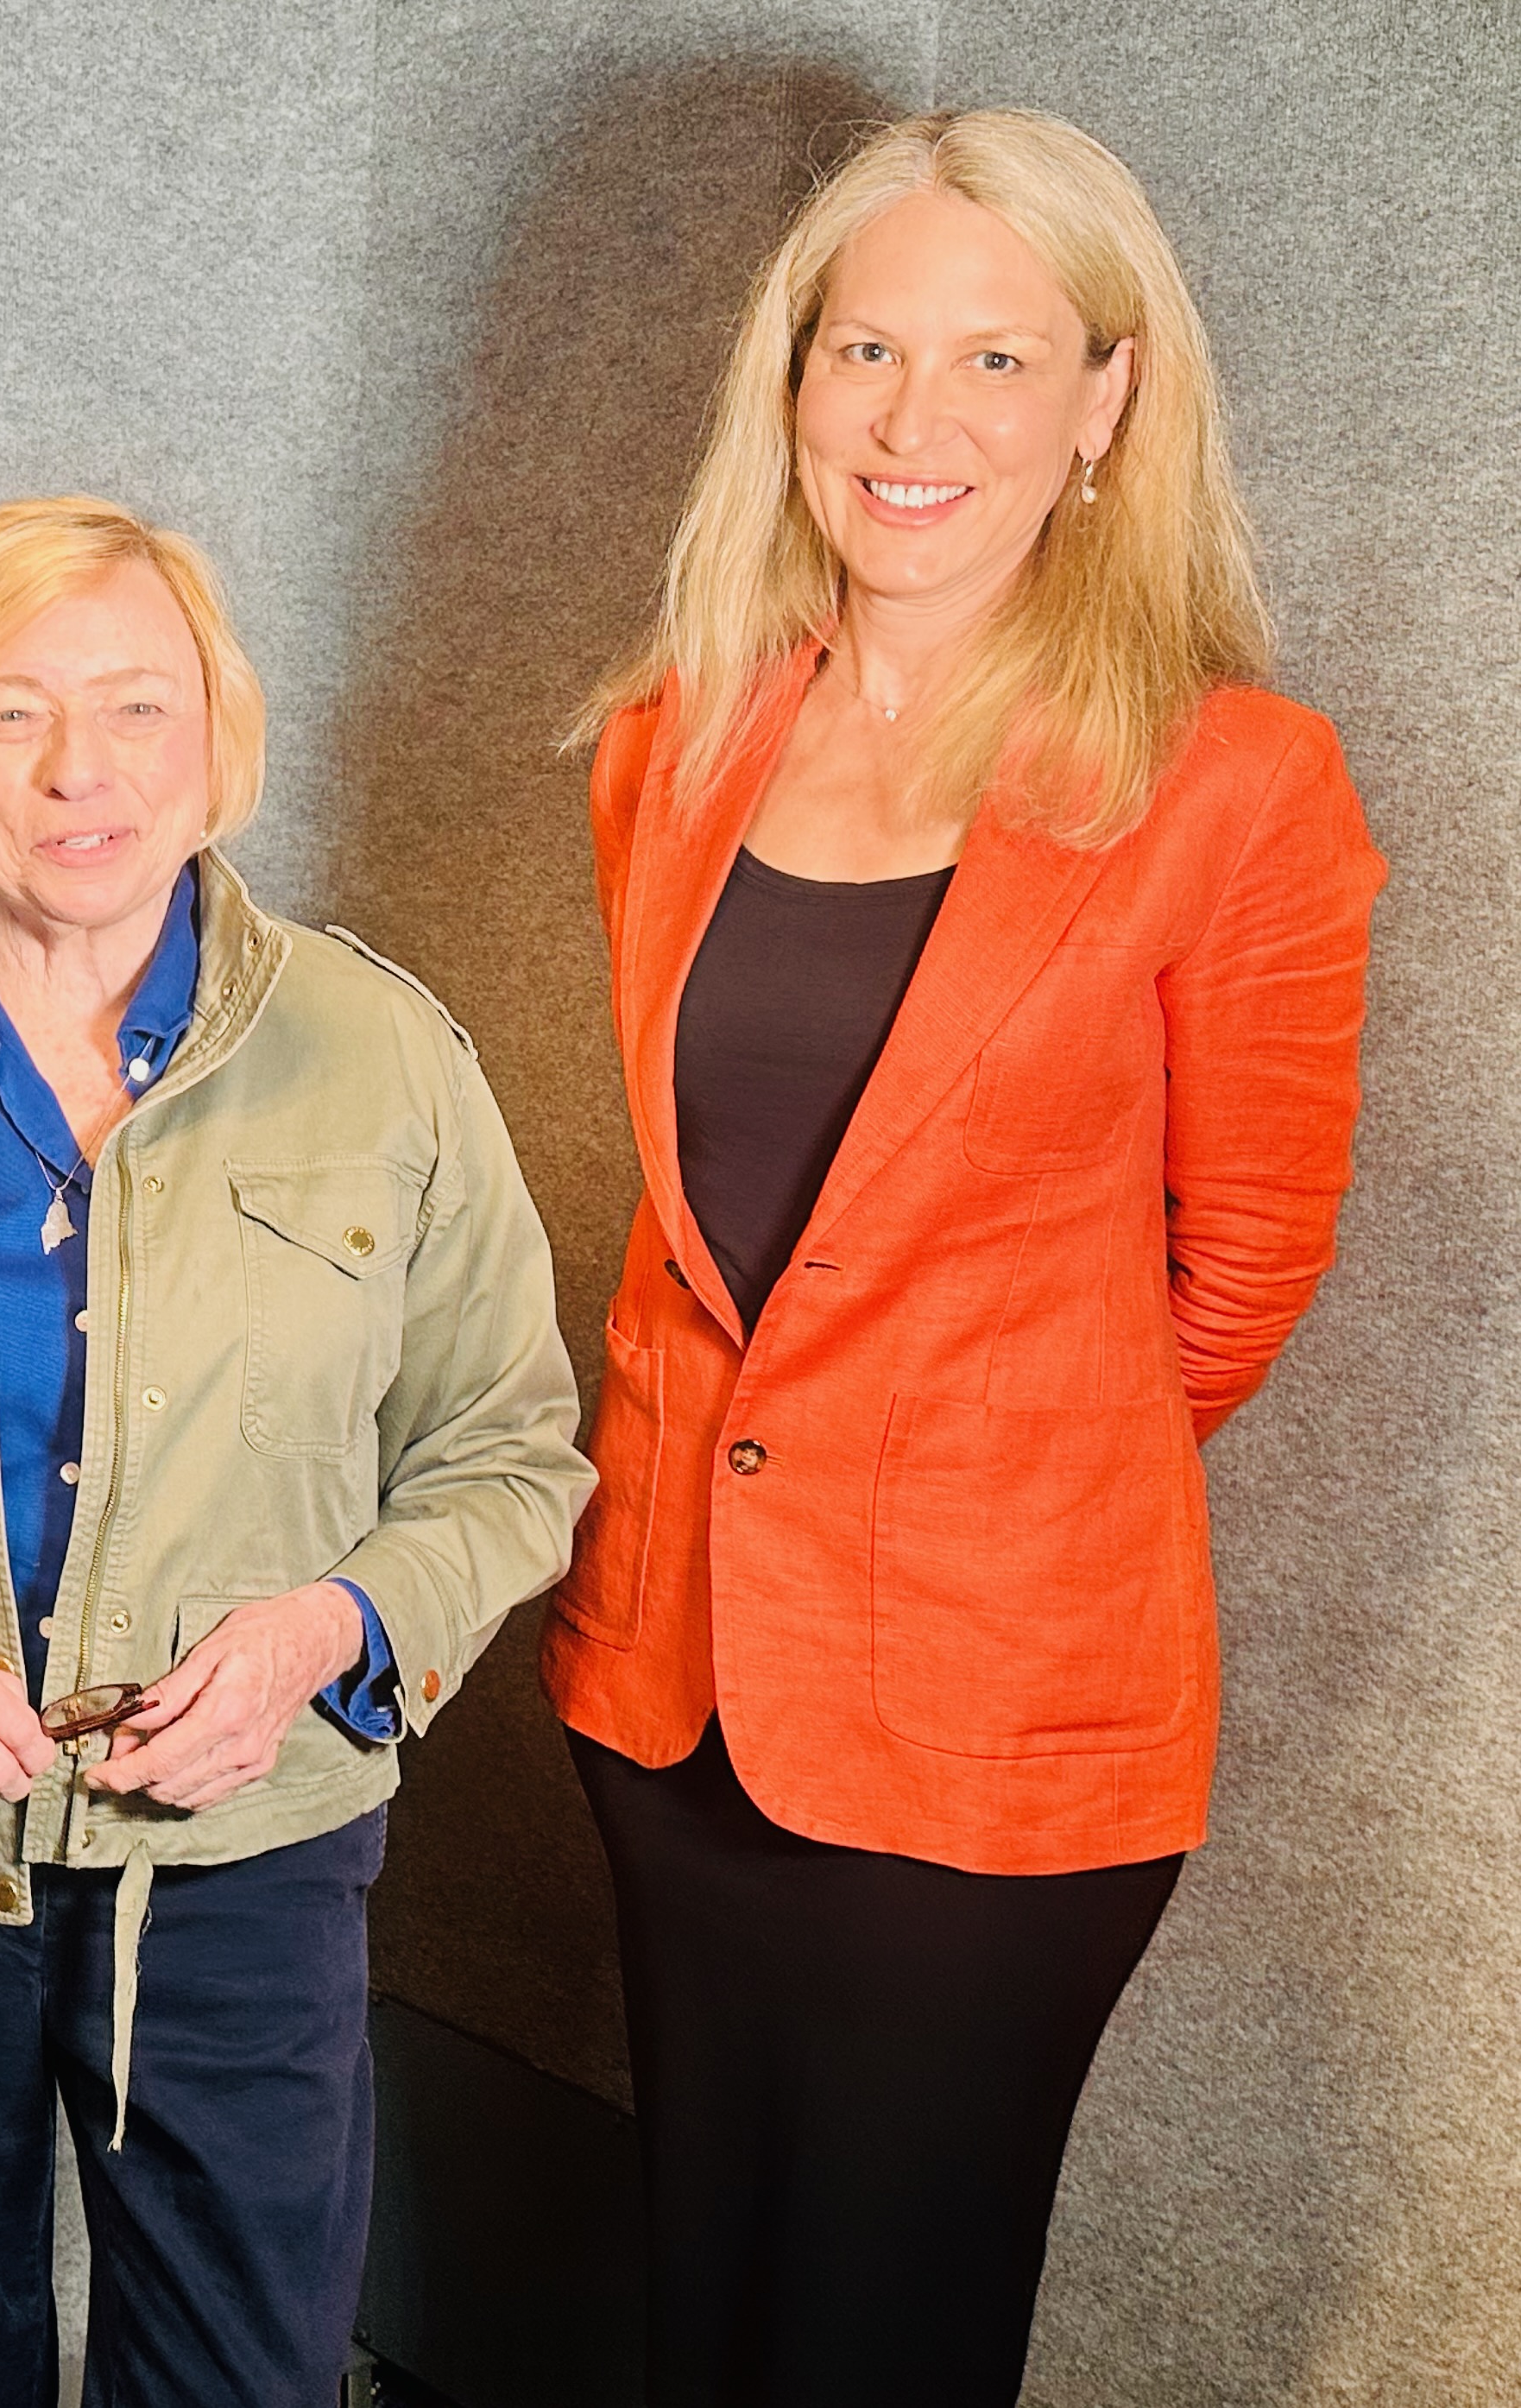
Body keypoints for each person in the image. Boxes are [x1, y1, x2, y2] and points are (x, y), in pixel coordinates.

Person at [541, 109, 1385, 2406]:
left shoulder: (1233, 786)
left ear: (1102, 399)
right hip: (668, 1687)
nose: (915, 423)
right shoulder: (669, 742)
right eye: (865, 350)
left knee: (874, 2337)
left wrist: (964, 1473)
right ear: (788, 380)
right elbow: (698, 1218)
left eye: (996, 357)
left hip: (994, 1726)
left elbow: (1229, 1279)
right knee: (699, 2294)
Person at [0, 494, 592, 2408]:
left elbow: (510, 1451)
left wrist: (323, 1634)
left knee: (244, 2379)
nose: (83, 773)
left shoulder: (391, 1063)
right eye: (15, 713)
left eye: (139, 708)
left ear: (216, 744)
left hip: (243, 1870)